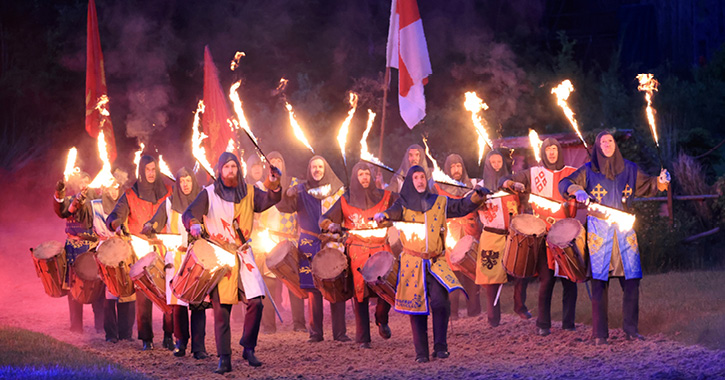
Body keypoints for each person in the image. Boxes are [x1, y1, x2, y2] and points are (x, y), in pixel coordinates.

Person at [559, 131, 670, 345]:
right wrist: (576, 190)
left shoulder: (629, 168)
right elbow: (564, 184)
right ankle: (600, 334)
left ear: (615, 145)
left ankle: (631, 330)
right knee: (600, 282)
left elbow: (648, 185)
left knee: (631, 280)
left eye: (610, 141)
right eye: (602, 142)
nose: (607, 144)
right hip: (599, 232)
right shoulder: (588, 170)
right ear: (597, 147)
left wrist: (662, 181)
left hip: (625, 231)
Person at [373, 165, 487, 363]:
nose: (419, 180)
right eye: (415, 177)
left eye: (422, 177)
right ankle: (421, 353)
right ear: (410, 181)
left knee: (440, 303)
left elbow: (460, 206)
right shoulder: (402, 204)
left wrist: (476, 196)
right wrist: (383, 217)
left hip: (436, 262)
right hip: (412, 263)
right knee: (417, 309)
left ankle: (441, 348)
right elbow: (389, 215)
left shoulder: (439, 202)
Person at [183, 152, 281, 373]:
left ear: (239, 169)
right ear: (220, 170)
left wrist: (275, 183)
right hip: (220, 257)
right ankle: (224, 358)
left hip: (243, 254)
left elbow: (270, 200)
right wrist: (194, 223)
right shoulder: (208, 194)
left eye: (234, 167)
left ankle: (248, 348)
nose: (230, 171)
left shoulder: (249, 192)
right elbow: (189, 214)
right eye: (226, 167)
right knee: (222, 310)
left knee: (256, 302)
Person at [503, 137, 579, 336]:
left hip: (566, 235)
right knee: (547, 279)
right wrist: (512, 183)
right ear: (543, 152)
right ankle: (543, 324)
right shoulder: (534, 173)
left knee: (570, 281)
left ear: (559, 151)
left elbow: (583, 187)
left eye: (555, 148)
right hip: (544, 237)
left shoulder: (571, 173)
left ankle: (569, 323)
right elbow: (509, 181)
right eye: (548, 149)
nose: (551, 152)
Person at [320, 161, 396, 349]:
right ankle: (363, 337)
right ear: (355, 177)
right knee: (360, 293)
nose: (364, 177)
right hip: (357, 250)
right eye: (360, 174)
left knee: (386, 286)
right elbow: (323, 218)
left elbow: (402, 206)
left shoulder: (386, 196)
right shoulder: (345, 200)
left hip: (381, 247)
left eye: (367, 174)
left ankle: (381, 318)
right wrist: (331, 225)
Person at [278, 155, 350, 343]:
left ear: (325, 168)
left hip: (332, 241)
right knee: (313, 289)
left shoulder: (338, 189)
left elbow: (345, 214)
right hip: (309, 242)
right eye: (313, 167)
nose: (317, 170)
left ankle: (340, 332)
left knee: (336, 285)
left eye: (320, 166)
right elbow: (285, 207)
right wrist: (286, 194)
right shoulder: (301, 190)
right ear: (309, 170)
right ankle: (315, 333)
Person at [106, 155, 173, 351]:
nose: (151, 173)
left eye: (154, 169)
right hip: (141, 251)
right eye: (147, 170)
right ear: (141, 171)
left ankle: (169, 335)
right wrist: (117, 225)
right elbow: (115, 215)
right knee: (144, 297)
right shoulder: (130, 194)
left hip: (164, 249)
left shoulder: (168, 191)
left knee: (168, 294)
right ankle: (146, 338)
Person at [142, 167, 208, 359]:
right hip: (177, 257)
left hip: (198, 257)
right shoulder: (169, 203)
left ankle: (199, 347)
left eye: (188, 180)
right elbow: (156, 221)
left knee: (198, 304)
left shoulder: (202, 200)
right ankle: (180, 343)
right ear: (178, 183)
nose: (186, 184)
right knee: (178, 305)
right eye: (182, 181)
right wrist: (150, 226)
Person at [474, 150, 529, 327]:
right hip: (491, 235)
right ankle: (493, 317)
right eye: (493, 162)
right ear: (488, 164)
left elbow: (522, 204)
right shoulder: (479, 186)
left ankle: (520, 307)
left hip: (513, 235)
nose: (496, 165)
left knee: (521, 271)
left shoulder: (512, 185)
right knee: (492, 279)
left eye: (499, 161)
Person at [430, 154, 482, 319]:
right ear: (447, 169)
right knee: (453, 275)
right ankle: (453, 313)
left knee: (472, 273)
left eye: (459, 166)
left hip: (470, 232)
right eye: (452, 166)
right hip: (450, 233)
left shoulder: (473, 185)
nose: (456, 169)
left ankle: (474, 312)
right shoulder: (439, 188)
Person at [53, 172, 104, 334]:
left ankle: (101, 325)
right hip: (73, 249)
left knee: (98, 285)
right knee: (73, 287)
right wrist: (58, 194)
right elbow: (62, 211)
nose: (83, 185)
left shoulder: (97, 202)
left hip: (92, 247)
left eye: (86, 182)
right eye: (81, 182)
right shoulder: (69, 201)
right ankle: (76, 326)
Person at [89, 169, 136, 343]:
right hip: (106, 252)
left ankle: (126, 333)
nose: (114, 191)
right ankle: (111, 334)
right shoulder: (97, 205)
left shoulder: (127, 204)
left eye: (117, 187)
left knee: (128, 292)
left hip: (125, 250)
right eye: (111, 187)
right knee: (110, 293)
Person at [244, 155, 284, 335]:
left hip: (267, 242)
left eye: (259, 166)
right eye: (253, 167)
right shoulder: (243, 189)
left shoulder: (263, 187)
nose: (257, 170)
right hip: (249, 245)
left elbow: (270, 191)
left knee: (269, 284)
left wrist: (274, 180)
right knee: (252, 288)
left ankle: (269, 325)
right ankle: (254, 325)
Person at [267, 151, 307, 332]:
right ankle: (268, 325)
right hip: (268, 238)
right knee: (269, 282)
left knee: (293, 280)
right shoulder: (262, 186)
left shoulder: (294, 184)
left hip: (290, 239)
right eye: (272, 161)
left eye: (278, 161)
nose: (276, 163)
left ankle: (299, 323)